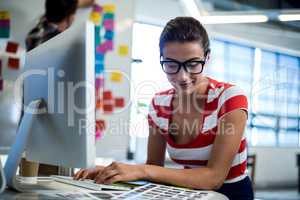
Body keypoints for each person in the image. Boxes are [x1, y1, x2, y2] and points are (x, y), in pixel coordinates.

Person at [74, 16, 254, 200]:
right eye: (171, 64)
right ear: (162, 60)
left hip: (231, 195)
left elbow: (213, 178)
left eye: (192, 64)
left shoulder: (230, 97)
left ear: (207, 58)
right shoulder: (159, 104)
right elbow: (154, 167)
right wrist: (112, 173)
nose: (183, 76)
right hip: (191, 193)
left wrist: (142, 170)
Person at [21, 0, 94, 176]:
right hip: (53, 131)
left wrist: (72, 6)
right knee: (51, 180)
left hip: (30, 125)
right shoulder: (61, 42)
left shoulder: (35, 33)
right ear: (70, 17)